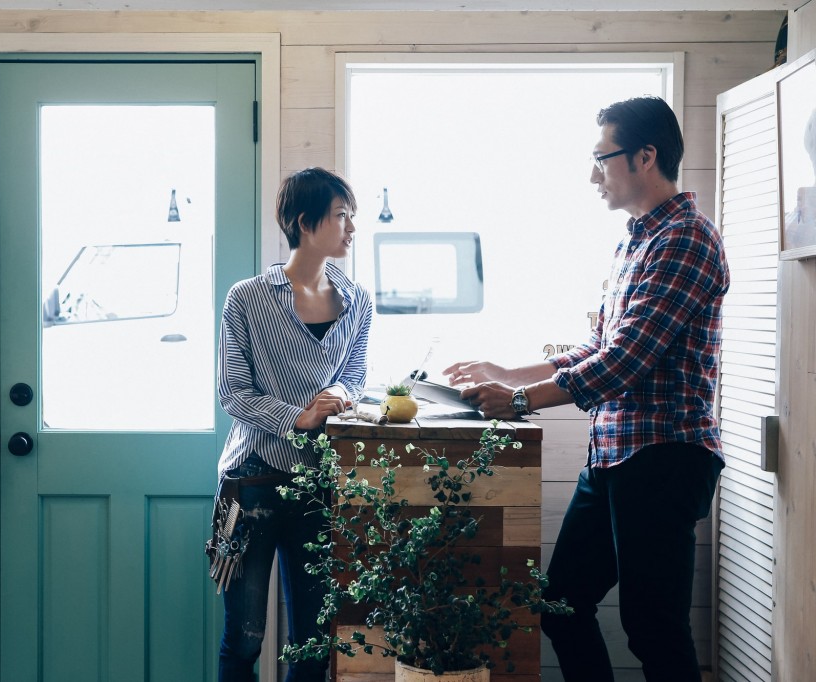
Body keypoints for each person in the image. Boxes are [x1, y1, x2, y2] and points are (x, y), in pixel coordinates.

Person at [442, 96, 729, 682]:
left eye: (602, 159)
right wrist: (507, 372)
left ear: (645, 156)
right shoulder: (633, 243)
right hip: (613, 457)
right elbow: (596, 347)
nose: (592, 174)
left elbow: (627, 361)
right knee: (561, 606)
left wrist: (521, 401)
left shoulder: (686, 239)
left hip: (664, 457)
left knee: (655, 630)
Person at [213, 167, 373, 682]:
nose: (351, 228)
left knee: (312, 639)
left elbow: (356, 372)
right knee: (245, 638)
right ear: (305, 222)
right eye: (342, 216)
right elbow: (232, 392)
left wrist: (344, 394)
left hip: (319, 486)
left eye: (351, 217)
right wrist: (296, 417)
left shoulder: (358, 302)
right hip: (252, 482)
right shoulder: (247, 297)